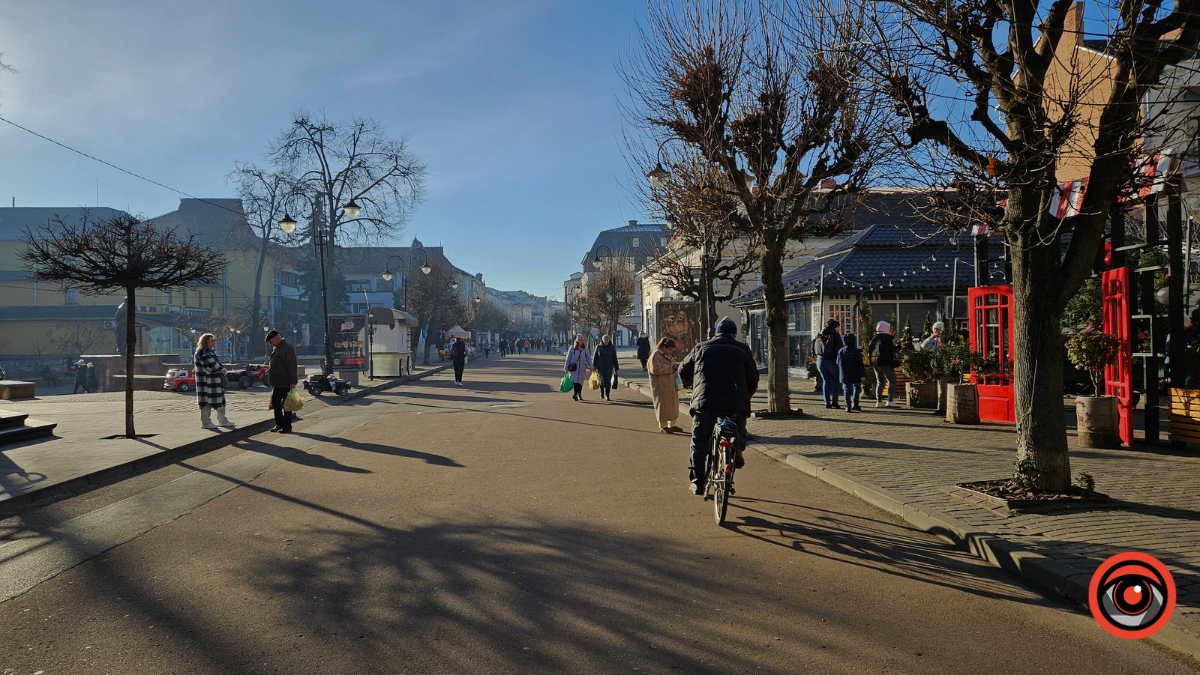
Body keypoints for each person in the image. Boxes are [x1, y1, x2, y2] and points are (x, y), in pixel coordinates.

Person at [678, 317, 759, 495]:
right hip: (734, 403)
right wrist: (748, 394)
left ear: (716, 334)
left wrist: (687, 382)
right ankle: (736, 449)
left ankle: (698, 482)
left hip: (704, 403)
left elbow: (683, 369)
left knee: (700, 441)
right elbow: (753, 378)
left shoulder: (701, 347)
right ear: (734, 334)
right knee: (738, 427)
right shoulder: (742, 349)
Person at [194, 332, 235, 430]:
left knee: (220, 400)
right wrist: (223, 370)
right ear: (205, 341)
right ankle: (206, 422)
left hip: (213, 382)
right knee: (206, 403)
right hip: (206, 382)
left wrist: (221, 369)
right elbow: (211, 365)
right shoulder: (201, 352)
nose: (213, 343)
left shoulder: (209, 351)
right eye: (211, 341)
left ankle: (222, 420)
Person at [266, 329, 299, 433]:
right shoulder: (278, 348)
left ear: (277, 338)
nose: (271, 344)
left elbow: (291, 365)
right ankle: (279, 424)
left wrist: (292, 381)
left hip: (285, 382)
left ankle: (287, 426)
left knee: (287, 405)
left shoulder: (286, 347)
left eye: (271, 342)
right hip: (277, 383)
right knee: (275, 403)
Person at [648, 337, 683, 433]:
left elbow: (671, 366)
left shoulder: (669, 355)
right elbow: (655, 369)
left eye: (672, 350)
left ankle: (672, 424)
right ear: (663, 347)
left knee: (673, 404)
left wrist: (675, 367)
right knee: (663, 405)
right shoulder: (656, 355)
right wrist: (669, 367)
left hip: (670, 384)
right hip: (661, 385)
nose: (670, 351)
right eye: (669, 349)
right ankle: (663, 426)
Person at [869, 321, 900, 408]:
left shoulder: (874, 338)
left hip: (875, 362)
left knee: (880, 382)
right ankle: (890, 400)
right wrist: (899, 347)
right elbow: (889, 350)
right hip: (885, 362)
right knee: (892, 380)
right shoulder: (887, 338)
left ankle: (879, 401)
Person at [813, 320, 844, 409]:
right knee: (837, 381)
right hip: (832, 361)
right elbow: (840, 349)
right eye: (838, 327)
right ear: (835, 327)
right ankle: (834, 401)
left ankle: (827, 402)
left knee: (826, 381)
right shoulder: (835, 335)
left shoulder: (819, 334)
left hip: (820, 361)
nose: (838, 329)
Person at [837, 333, 866, 412]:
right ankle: (855, 403)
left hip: (844, 373)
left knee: (846, 388)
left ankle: (847, 405)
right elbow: (860, 363)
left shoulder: (841, 351)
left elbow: (838, 362)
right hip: (855, 372)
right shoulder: (856, 351)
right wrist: (862, 374)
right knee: (856, 387)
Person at [564, 334, 594, 401]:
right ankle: (575, 394)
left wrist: (591, 366)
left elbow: (588, 358)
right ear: (577, 340)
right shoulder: (572, 348)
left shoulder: (585, 349)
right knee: (575, 381)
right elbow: (568, 358)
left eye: (583, 340)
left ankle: (579, 394)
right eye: (580, 340)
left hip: (582, 367)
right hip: (573, 368)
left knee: (580, 381)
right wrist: (566, 368)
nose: (582, 341)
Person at [593, 334, 620, 401]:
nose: (606, 341)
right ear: (602, 340)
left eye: (607, 340)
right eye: (605, 340)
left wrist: (616, 367)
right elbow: (595, 357)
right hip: (600, 367)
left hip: (609, 366)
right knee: (601, 381)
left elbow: (614, 357)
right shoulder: (599, 347)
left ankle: (607, 395)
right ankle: (602, 392)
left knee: (608, 381)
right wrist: (593, 367)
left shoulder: (612, 347)